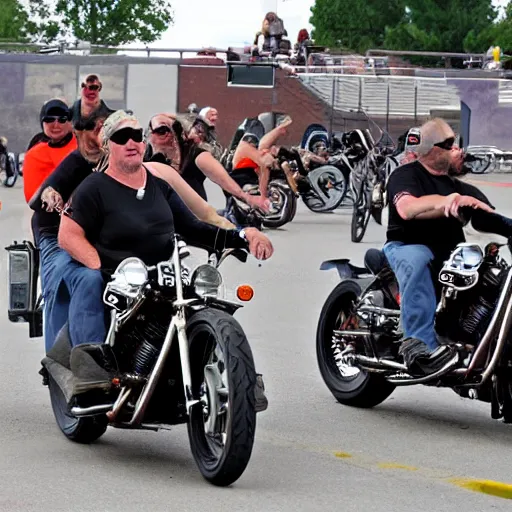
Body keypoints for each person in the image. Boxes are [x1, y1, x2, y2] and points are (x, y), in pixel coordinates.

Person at [52, 111, 273, 407]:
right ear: (108, 145)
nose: (131, 142)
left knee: (201, 298)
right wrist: (103, 268)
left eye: (136, 136)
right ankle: (94, 368)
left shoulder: (159, 186)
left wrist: (245, 235)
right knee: (90, 281)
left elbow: (195, 228)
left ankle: (236, 374)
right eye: (121, 137)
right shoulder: (94, 188)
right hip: (115, 274)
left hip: (157, 274)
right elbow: (68, 235)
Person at [382, 117, 507, 376]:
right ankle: (418, 347)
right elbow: (407, 208)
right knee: (419, 259)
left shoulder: (460, 188)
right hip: (407, 246)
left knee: (494, 272)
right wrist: (445, 200)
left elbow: (487, 218)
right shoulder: (405, 175)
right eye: (451, 144)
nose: (458, 149)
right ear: (433, 149)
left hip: (450, 254)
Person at [145, 113, 269, 212]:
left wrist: (247, 198)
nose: (166, 134)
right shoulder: (146, 154)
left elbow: (222, 179)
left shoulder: (196, 154)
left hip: (191, 214)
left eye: (202, 134)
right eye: (197, 130)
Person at [23, 99, 78, 242]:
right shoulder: (34, 154)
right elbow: (32, 195)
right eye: (49, 119)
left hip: (87, 217)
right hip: (49, 221)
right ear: (42, 123)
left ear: (70, 122)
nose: (56, 124)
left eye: (62, 119)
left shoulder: (84, 147)